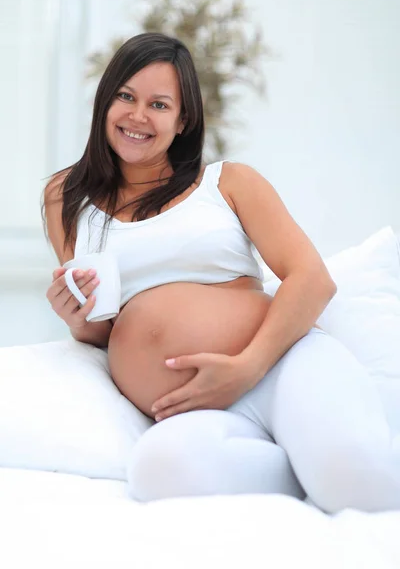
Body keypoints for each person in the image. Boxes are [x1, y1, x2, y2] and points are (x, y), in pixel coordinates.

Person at [43, 32, 400, 513]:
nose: (137, 116)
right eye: (125, 96)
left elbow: (313, 279)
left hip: (280, 366)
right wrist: (76, 319)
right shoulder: (66, 197)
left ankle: (327, 460)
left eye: (159, 104)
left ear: (183, 119)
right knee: (157, 472)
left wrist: (244, 368)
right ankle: (300, 468)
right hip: (190, 406)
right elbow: (101, 331)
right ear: (105, 99)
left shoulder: (228, 182)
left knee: (358, 481)